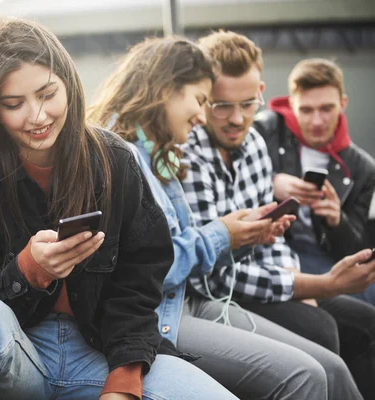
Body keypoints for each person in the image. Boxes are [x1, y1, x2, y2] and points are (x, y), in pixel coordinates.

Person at [0, 18, 236, 400]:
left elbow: (140, 284)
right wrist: (29, 271)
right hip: (19, 354)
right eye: (14, 104)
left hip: (102, 354)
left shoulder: (115, 160)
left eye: (47, 93)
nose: (37, 116)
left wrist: (123, 384)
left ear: (68, 83)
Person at [88, 34, 362, 399]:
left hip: (188, 299)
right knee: (307, 373)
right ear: (166, 90)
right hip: (165, 315)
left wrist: (249, 237)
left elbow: (183, 253)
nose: (203, 116)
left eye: (247, 104)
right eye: (204, 101)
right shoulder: (124, 155)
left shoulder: (159, 150)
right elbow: (150, 270)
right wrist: (224, 235)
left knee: (328, 368)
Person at [180, 29, 375, 398]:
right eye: (222, 105)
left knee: (365, 321)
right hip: (218, 294)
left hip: (267, 276)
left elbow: (273, 239)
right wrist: (309, 287)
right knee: (321, 330)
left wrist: (296, 279)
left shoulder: (253, 142)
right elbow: (211, 278)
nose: (238, 119)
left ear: (261, 93)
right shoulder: (190, 151)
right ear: (201, 98)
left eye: (249, 103)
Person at [253, 58, 375, 307]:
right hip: (268, 248)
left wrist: (337, 220)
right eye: (306, 110)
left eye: (326, 109)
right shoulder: (262, 131)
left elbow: (359, 249)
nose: (317, 121)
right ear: (291, 104)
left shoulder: (362, 167)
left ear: (343, 104)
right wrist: (272, 182)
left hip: (322, 254)